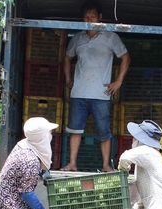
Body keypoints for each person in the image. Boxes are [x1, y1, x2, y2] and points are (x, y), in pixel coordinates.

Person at [60, 0, 130, 172]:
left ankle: (106, 165)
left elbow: (126, 57)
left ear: (100, 17)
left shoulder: (111, 37)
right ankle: (72, 164)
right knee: (74, 130)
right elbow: (67, 58)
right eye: (86, 16)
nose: (89, 19)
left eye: (92, 16)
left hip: (102, 93)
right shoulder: (77, 38)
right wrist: (68, 78)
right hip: (78, 93)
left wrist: (118, 81)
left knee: (104, 132)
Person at [117, 120, 162, 209]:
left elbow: (124, 158)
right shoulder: (149, 157)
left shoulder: (148, 152)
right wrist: (137, 206)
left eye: (135, 137)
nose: (133, 139)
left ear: (141, 140)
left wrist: (123, 171)